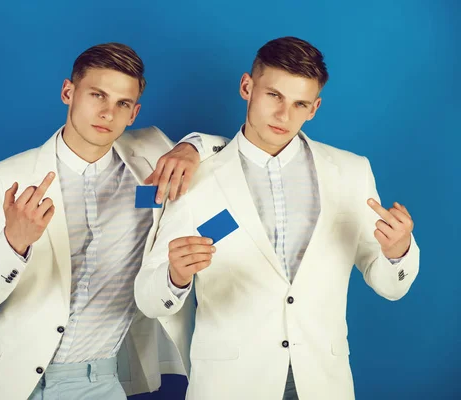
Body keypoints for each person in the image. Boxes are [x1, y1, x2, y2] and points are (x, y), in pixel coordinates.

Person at [134, 36, 419, 400]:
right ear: (247, 87)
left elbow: (390, 286)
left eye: (300, 103)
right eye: (274, 96)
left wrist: (398, 251)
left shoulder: (351, 172)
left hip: (322, 382)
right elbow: (147, 297)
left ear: (314, 108)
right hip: (230, 384)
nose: (285, 116)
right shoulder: (195, 177)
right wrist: (175, 275)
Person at [0, 42, 227, 400]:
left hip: (101, 380)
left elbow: (234, 158)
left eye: (122, 104)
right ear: (68, 92)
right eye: (97, 95)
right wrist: (14, 242)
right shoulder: (8, 177)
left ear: (134, 113)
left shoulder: (152, 155)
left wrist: (191, 147)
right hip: (15, 384)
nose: (107, 113)